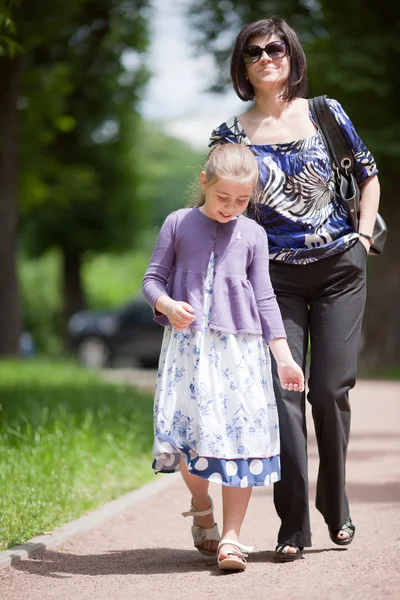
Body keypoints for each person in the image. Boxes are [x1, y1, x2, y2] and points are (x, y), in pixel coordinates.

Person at [209, 17, 380, 561]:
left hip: (338, 269)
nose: (265, 57)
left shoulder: (326, 113)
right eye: (253, 52)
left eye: (274, 47)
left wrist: (360, 237)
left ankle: (337, 504)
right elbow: (217, 210)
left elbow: (369, 175)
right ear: (243, 66)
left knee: (329, 391)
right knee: (283, 398)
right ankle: (293, 526)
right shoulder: (230, 136)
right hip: (273, 280)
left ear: (291, 54)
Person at [142, 143, 304, 572]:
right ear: (204, 183)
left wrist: (284, 357)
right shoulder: (177, 223)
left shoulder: (253, 234)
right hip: (188, 351)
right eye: (222, 198)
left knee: (242, 442)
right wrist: (167, 306)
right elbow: (152, 280)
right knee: (189, 438)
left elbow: (265, 298)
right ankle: (201, 508)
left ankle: (232, 539)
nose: (231, 208)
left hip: (241, 353)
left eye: (242, 200)